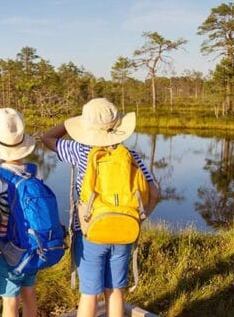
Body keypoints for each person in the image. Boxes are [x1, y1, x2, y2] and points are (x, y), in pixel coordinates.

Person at [41, 98, 160, 317]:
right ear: (118, 128)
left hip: (90, 235)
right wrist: (138, 218)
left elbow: (47, 138)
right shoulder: (131, 156)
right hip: (124, 231)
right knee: (115, 291)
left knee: (89, 295)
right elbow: (154, 192)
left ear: (86, 128)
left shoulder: (80, 150)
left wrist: (69, 124)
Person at [0, 108, 41, 317]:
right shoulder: (34, 171)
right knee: (30, 294)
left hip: (6, 252)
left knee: (10, 303)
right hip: (32, 248)